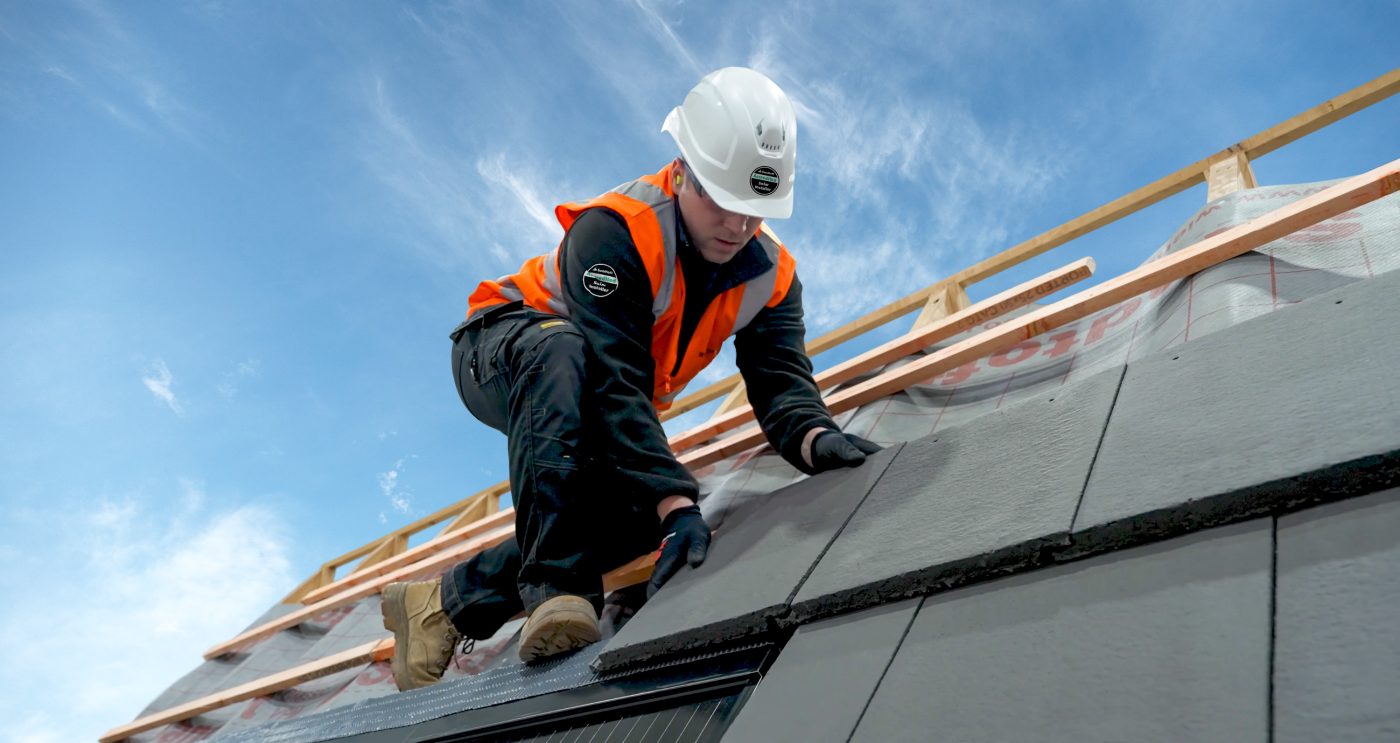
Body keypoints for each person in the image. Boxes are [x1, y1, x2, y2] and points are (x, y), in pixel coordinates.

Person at [380, 67, 881, 692]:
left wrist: (813, 437)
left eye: (755, 212)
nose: (738, 226)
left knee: (645, 523)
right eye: (722, 202)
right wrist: (677, 501)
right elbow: (615, 379)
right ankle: (559, 594)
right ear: (681, 171)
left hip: (590, 395)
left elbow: (779, 379)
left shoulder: (771, 279)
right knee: (563, 353)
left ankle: (442, 606)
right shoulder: (618, 230)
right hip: (505, 347)